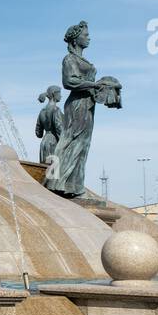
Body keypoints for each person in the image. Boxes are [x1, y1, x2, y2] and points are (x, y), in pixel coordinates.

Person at [43, 21, 121, 198]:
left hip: (88, 104)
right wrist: (94, 84)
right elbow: (69, 82)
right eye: (85, 35)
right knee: (70, 141)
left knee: (83, 145)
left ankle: (74, 186)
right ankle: (54, 181)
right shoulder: (69, 59)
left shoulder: (82, 59)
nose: (89, 38)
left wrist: (104, 86)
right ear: (75, 39)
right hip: (77, 105)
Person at [35, 85, 63, 167]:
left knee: (44, 172)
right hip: (53, 143)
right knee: (54, 173)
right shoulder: (56, 110)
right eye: (59, 93)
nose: (61, 96)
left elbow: (38, 134)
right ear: (54, 94)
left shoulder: (42, 111)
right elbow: (59, 129)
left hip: (44, 143)